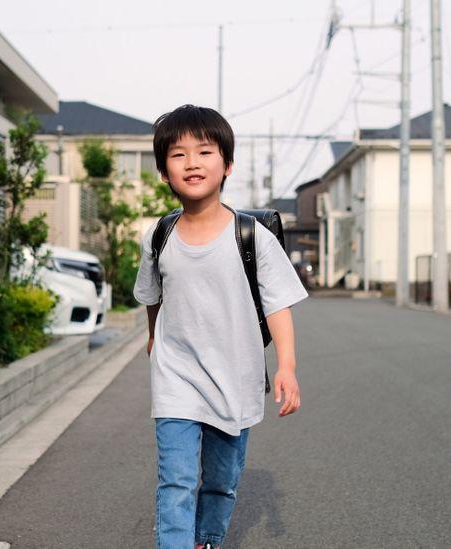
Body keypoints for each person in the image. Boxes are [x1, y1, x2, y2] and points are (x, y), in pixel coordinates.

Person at [133, 104, 309, 549]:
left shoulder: (252, 236)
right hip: (177, 378)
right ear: (163, 171)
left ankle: (206, 540)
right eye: (178, 154)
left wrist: (286, 366)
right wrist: (156, 337)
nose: (192, 162)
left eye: (205, 151)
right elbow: (153, 296)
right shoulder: (160, 237)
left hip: (235, 376)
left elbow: (278, 306)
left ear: (227, 164)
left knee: (221, 480)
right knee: (175, 481)